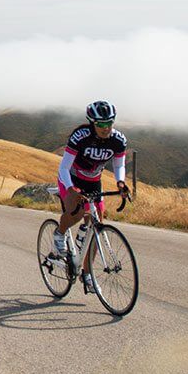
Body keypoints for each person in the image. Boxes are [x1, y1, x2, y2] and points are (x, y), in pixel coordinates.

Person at [52, 100, 130, 293]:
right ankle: (59, 233)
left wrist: (120, 183)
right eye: (101, 124)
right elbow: (64, 167)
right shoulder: (80, 137)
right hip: (71, 178)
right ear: (92, 123)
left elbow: (119, 165)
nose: (106, 128)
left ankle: (87, 274)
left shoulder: (118, 140)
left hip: (94, 180)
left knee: (97, 222)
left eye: (110, 123)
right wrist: (70, 189)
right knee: (77, 214)